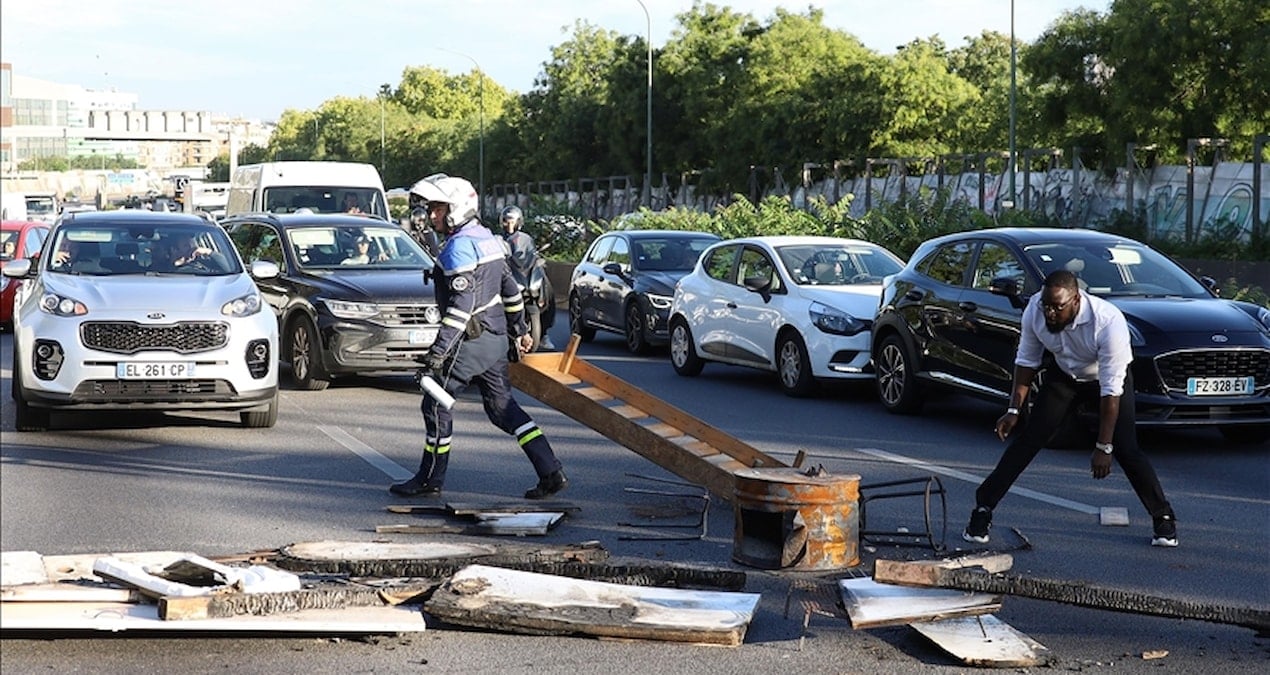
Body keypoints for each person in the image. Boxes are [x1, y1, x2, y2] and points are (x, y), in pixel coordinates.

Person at [963, 269, 1178, 547]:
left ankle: (1163, 518)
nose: (1050, 313)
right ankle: (983, 510)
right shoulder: (1035, 311)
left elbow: (1111, 390)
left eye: (1057, 307)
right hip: (1064, 376)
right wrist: (1014, 410)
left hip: (1105, 379)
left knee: (1126, 448)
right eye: (1046, 306)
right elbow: (1027, 360)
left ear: (1076, 300)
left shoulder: (1108, 321)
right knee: (1029, 440)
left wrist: (1103, 446)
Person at [389, 174, 568, 500]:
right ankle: (550, 470)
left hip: (469, 343)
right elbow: (511, 291)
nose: (432, 216)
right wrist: (520, 331)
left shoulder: (459, 248)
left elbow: (461, 306)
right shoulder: (488, 239)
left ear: (455, 209)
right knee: (502, 409)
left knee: (435, 403)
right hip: (496, 338)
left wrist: (437, 353)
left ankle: (429, 479)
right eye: (430, 209)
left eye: (438, 209)